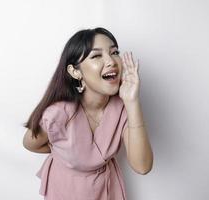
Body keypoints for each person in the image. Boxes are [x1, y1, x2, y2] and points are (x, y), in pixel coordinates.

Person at [23, 27, 153, 200]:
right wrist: (63, 152)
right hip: (65, 191)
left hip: (107, 191)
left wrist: (132, 101)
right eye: (96, 56)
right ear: (75, 72)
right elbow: (30, 144)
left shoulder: (121, 107)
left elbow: (142, 166)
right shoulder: (57, 114)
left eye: (114, 52)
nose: (111, 61)